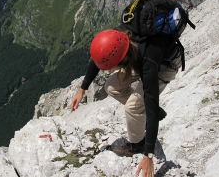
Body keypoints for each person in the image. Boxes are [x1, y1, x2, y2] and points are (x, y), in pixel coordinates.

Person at [71, 25, 182, 177]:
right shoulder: (118, 39)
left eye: (110, 66)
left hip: (163, 66)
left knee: (133, 108)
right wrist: (82, 89)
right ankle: (145, 112)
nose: (108, 69)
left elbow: (151, 99)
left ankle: (138, 145)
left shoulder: (147, 60)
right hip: (136, 59)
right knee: (111, 86)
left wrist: (148, 155)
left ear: (120, 59)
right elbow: (99, 58)